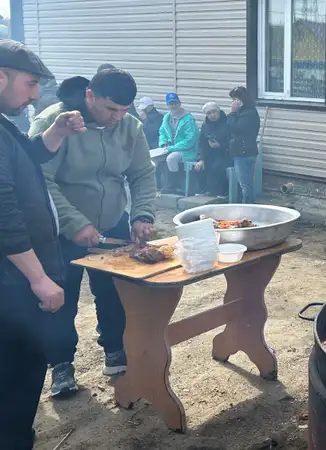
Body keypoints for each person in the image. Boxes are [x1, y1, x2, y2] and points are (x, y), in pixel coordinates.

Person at [29, 68, 158, 398]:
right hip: (60, 229)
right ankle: (61, 364)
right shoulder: (57, 122)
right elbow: (40, 181)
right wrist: (75, 224)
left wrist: (142, 216)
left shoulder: (130, 127)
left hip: (113, 221)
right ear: (90, 96)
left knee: (114, 293)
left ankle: (115, 350)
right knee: (63, 298)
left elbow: (142, 173)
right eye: (110, 109)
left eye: (124, 112)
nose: (116, 119)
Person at [0, 39, 85, 449]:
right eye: (31, 84)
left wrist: (58, 130)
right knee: (14, 382)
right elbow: (4, 215)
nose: (36, 95)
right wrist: (38, 278)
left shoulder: (4, 127)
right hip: (12, 286)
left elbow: (30, 155)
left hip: (17, 281)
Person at [157, 92, 199, 193]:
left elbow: (190, 140)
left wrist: (172, 148)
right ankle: (158, 185)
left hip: (186, 150)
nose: (173, 106)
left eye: (175, 103)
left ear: (179, 103)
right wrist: (163, 143)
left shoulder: (188, 119)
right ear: (167, 105)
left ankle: (173, 185)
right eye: (171, 104)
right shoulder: (166, 117)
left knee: (171, 158)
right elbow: (162, 132)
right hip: (170, 147)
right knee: (154, 159)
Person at [227, 86, 261, 204]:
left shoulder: (248, 114)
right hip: (244, 151)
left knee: (245, 184)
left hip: (243, 152)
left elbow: (236, 128)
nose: (233, 103)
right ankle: (249, 205)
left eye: (234, 100)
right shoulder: (247, 112)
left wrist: (232, 113)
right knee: (246, 183)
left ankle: (248, 206)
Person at [195, 101, 231, 198]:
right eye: (209, 113)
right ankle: (204, 189)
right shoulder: (205, 125)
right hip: (210, 153)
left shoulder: (228, 123)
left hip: (226, 153)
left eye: (214, 112)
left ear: (219, 111)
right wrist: (201, 159)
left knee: (216, 166)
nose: (212, 115)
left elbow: (233, 142)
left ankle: (221, 192)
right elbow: (201, 143)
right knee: (199, 166)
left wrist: (220, 145)